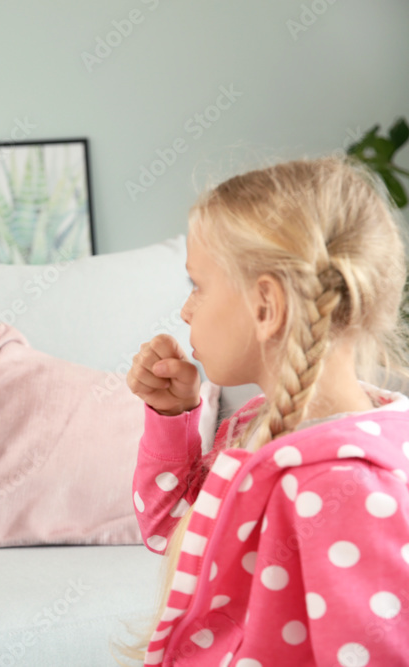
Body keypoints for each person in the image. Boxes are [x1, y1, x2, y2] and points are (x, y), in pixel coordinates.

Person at [124, 156, 409, 666]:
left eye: (197, 286)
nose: (186, 310)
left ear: (266, 307)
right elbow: (172, 531)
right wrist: (174, 417)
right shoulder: (258, 426)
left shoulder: (345, 483)